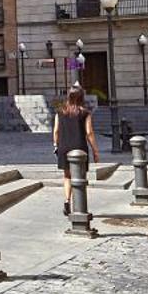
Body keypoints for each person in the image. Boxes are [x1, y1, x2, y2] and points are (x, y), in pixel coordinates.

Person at [52, 85, 99, 217]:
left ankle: (67, 201)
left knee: (67, 176)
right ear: (81, 98)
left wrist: (56, 145)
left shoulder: (60, 111)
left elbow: (56, 131)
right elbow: (89, 133)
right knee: (80, 177)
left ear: (69, 96)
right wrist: (95, 151)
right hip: (79, 148)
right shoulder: (85, 113)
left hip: (64, 147)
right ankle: (80, 207)